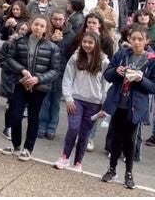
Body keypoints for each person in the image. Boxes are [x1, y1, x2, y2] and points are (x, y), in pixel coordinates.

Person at [100, 25, 155, 189]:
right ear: (129, 39)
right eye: (133, 39)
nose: (136, 42)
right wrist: (117, 71)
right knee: (115, 137)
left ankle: (129, 173)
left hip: (136, 106)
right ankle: (112, 169)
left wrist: (140, 79)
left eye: (140, 39)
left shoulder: (151, 60)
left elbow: (153, 87)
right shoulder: (122, 54)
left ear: (146, 41)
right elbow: (107, 75)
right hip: (118, 103)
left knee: (130, 140)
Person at [0, 15, 61, 161]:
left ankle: (28, 148)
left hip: (38, 87)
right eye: (36, 24)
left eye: (41, 26)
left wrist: (38, 79)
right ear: (30, 25)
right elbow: (9, 59)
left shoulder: (53, 47)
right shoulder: (19, 41)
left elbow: (55, 70)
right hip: (21, 83)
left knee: (33, 117)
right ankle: (15, 145)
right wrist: (22, 70)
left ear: (46, 29)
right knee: (15, 114)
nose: (38, 28)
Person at [53, 32, 109, 172]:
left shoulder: (104, 62)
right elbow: (67, 78)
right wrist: (69, 98)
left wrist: (105, 106)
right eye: (85, 42)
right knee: (73, 127)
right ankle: (65, 157)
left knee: (85, 133)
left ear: (96, 44)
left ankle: (78, 162)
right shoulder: (75, 58)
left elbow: (106, 85)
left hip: (95, 104)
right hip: (76, 100)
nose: (87, 45)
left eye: (90, 43)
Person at [38, 10, 76, 140]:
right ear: (51, 19)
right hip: (45, 70)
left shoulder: (70, 34)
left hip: (61, 71)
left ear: (65, 19)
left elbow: (71, 55)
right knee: (44, 100)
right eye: (55, 19)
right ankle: (41, 125)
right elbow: (38, 45)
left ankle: (52, 127)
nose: (58, 22)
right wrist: (50, 40)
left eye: (61, 19)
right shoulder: (46, 31)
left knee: (55, 101)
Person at [0, 21, 30, 140]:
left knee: (21, 107)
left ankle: (15, 127)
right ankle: (8, 127)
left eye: (26, 30)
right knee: (12, 105)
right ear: (17, 30)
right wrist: (15, 68)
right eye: (22, 29)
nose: (24, 32)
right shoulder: (9, 43)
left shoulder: (30, 45)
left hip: (24, 80)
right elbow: (1, 60)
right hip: (11, 79)